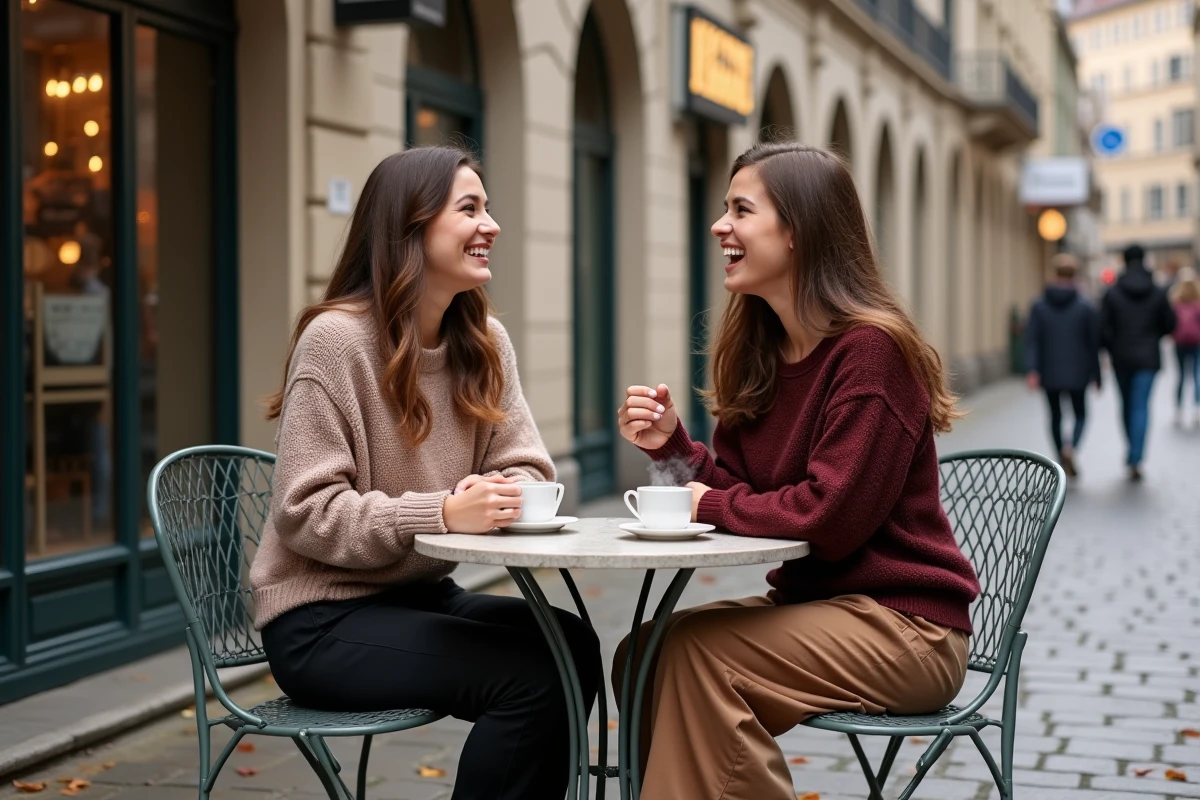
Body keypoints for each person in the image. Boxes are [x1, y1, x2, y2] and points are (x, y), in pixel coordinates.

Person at [613, 142, 981, 800]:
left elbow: (827, 521)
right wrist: (672, 448)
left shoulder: (871, 353)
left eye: (741, 210)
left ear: (799, 230)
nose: (719, 226)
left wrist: (705, 504)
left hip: (907, 627)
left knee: (701, 658)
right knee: (644, 656)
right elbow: (736, 493)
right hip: (820, 610)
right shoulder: (764, 350)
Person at [249, 146, 599, 800]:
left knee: (570, 644)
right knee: (528, 674)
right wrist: (437, 513)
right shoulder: (336, 341)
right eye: (469, 208)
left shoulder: (483, 342)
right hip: (322, 620)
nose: (490, 224)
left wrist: (500, 494)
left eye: (487, 207)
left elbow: (525, 464)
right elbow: (305, 512)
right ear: (410, 226)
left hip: (417, 599)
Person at [1100, 244, 1177, 481]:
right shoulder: (1156, 291)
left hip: (1121, 357)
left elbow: (1103, 328)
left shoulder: (1112, 292)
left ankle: (1131, 450)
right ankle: (1136, 456)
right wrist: (1153, 337)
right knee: (1141, 406)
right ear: (1144, 260)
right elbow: (1170, 324)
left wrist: (1112, 347)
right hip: (1148, 357)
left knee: (1126, 405)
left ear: (1123, 260)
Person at [1024, 253, 1102, 478]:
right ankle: (1072, 448)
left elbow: (1032, 340)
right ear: (1075, 275)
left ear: (1054, 274)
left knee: (1055, 416)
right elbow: (1092, 344)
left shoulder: (1039, 305)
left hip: (1049, 371)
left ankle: (1060, 456)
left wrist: (1033, 370)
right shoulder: (1086, 306)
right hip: (1079, 370)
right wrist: (1097, 375)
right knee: (1080, 414)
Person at [1170, 268, 1200, 427]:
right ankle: (1197, 408)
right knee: (1196, 375)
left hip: (1180, 343)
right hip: (1196, 342)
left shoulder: (1176, 301)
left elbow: (1170, 323)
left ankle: (1179, 409)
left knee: (1181, 376)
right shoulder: (1198, 302)